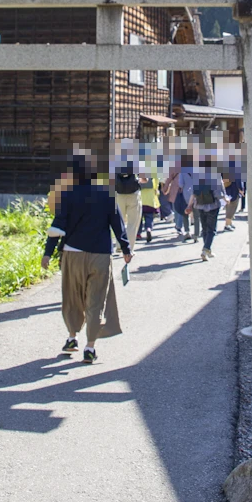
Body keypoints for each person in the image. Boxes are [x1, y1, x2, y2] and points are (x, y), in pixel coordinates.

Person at [42, 153, 133, 364]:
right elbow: (117, 225)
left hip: (73, 254)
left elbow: (58, 226)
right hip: (100, 254)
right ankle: (90, 347)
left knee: (72, 298)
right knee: (96, 301)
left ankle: (72, 337)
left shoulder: (68, 194)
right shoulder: (107, 194)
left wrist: (48, 252)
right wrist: (126, 249)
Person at [185, 155, 226, 261]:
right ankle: (206, 249)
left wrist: (189, 205)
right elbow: (218, 192)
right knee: (211, 230)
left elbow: (193, 193)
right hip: (213, 205)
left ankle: (208, 250)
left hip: (200, 205)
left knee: (205, 229)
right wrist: (225, 199)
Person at [111, 142, 143, 248]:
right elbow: (145, 178)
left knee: (119, 221)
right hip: (133, 194)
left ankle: (120, 245)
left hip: (119, 194)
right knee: (132, 224)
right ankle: (129, 249)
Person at [223, 155, 245, 231]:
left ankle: (230, 222)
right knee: (232, 206)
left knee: (228, 205)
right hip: (234, 187)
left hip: (226, 186)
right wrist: (241, 189)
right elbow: (239, 177)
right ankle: (227, 224)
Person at [138, 169, 159, 243]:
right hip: (150, 199)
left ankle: (138, 233)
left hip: (140, 198)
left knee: (138, 218)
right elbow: (156, 183)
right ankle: (148, 229)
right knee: (149, 217)